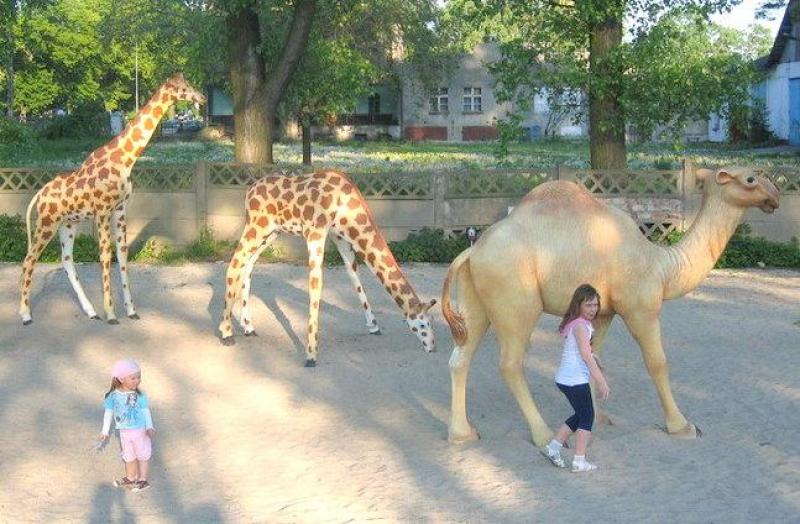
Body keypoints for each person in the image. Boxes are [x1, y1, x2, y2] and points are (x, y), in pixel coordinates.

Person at [541, 284, 610, 473]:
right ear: (579, 305)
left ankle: (553, 448)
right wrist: (601, 381)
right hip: (574, 379)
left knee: (580, 415)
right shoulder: (580, 325)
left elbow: (583, 351)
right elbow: (585, 355)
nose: (593, 309)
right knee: (587, 417)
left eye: (595, 305)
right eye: (588, 305)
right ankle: (579, 460)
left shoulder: (579, 323)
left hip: (567, 378)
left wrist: (595, 357)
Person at [98, 359, 155, 491]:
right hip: (124, 432)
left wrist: (149, 426)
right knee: (128, 455)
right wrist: (105, 431)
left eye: (139, 377)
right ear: (122, 379)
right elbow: (109, 413)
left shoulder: (139, 395)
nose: (138, 381)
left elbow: (145, 410)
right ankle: (131, 477)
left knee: (142, 454)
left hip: (140, 431)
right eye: (133, 378)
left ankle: (143, 480)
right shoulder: (113, 396)